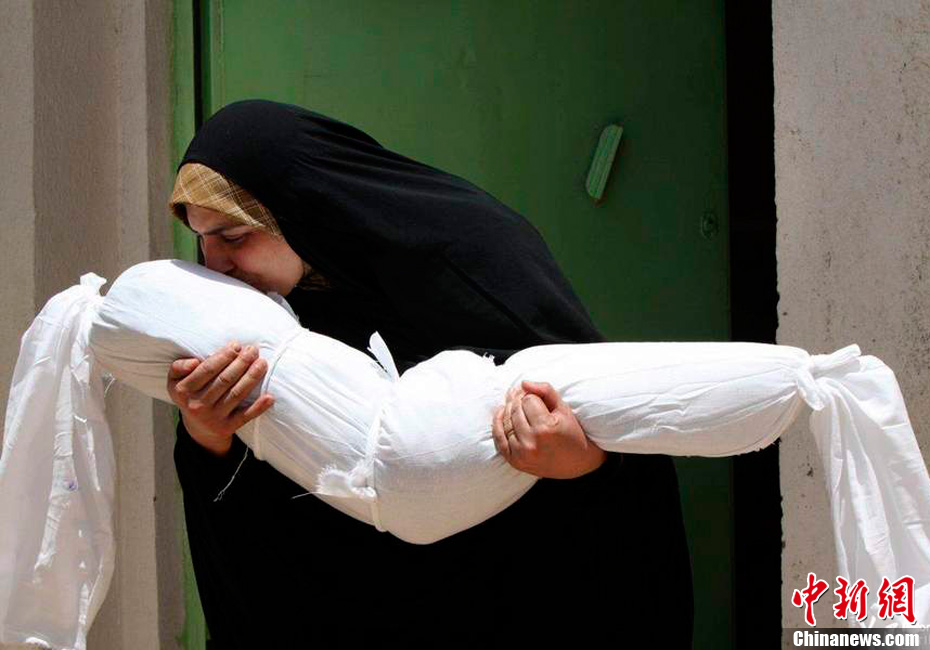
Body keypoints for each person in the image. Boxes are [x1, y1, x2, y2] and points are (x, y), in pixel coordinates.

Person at [167, 100, 693, 646]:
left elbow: (613, 418)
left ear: (300, 207)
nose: (215, 264)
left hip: (514, 594)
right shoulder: (255, 318)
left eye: (234, 237)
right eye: (201, 239)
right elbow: (252, 524)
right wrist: (207, 435)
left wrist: (583, 460)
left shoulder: (471, 254)